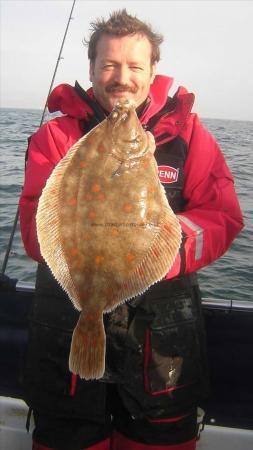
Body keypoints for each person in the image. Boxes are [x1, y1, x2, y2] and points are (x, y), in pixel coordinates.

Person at [19, 9, 244, 450]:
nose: (122, 77)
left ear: (152, 70)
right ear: (91, 70)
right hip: (64, 338)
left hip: (159, 345)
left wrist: (160, 250)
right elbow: (33, 226)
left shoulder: (189, 136)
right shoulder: (55, 138)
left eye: (135, 66)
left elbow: (223, 215)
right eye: (109, 65)